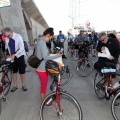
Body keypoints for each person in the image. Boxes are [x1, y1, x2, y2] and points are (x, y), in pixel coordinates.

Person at [35, 27, 62, 102]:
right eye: (50, 38)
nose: (50, 39)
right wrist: (58, 55)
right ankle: (43, 103)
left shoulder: (40, 41)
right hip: (41, 69)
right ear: (47, 35)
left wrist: (53, 54)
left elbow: (43, 54)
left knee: (43, 85)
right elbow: (45, 57)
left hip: (39, 67)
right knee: (43, 87)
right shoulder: (42, 43)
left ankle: (43, 100)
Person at [4, 27, 27, 92]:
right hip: (12, 56)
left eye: (9, 35)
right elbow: (6, 47)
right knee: (14, 71)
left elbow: (22, 48)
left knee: (22, 71)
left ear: (11, 32)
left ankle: (23, 85)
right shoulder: (7, 38)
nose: (8, 37)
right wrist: (7, 55)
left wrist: (15, 55)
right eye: (6, 36)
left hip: (20, 55)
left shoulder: (18, 37)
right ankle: (15, 85)